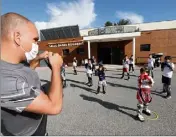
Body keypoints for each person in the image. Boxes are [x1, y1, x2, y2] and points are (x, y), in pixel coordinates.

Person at [0, 12, 63, 136]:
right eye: (35, 40)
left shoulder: (16, 62)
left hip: (37, 123)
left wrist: (38, 58)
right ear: (17, 37)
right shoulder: (4, 80)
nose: (37, 45)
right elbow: (54, 107)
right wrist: (56, 67)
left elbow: (26, 70)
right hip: (29, 133)